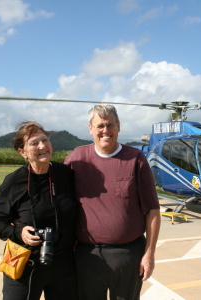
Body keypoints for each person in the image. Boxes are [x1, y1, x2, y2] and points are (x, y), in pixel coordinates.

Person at [64, 104, 161, 300]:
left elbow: (152, 210)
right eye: (100, 126)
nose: (105, 131)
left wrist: (149, 255)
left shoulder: (136, 159)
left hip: (129, 255)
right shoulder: (77, 158)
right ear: (90, 128)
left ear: (119, 126)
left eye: (110, 125)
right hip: (87, 255)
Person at [0, 121, 78, 300]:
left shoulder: (65, 174)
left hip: (63, 264)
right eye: (34, 143)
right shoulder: (15, 181)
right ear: (22, 152)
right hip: (24, 261)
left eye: (45, 140)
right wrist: (19, 232)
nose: (42, 146)